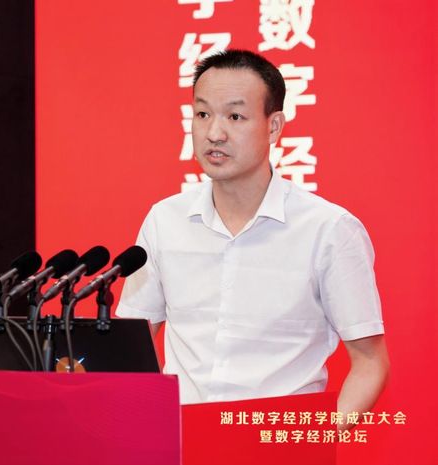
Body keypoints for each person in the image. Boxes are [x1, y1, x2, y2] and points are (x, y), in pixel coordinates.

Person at [115, 50, 389, 428]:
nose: (214, 133)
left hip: (275, 442)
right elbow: (133, 345)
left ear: (273, 126)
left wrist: (316, 441)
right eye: (202, 114)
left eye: (235, 117)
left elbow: (370, 362)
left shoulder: (328, 230)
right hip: (179, 440)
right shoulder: (165, 221)